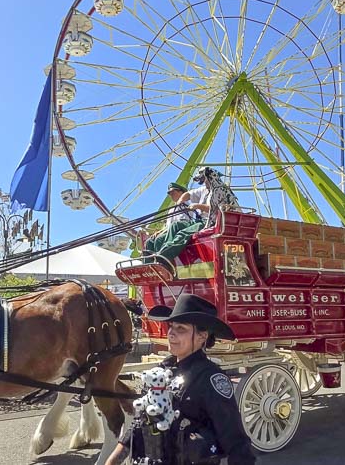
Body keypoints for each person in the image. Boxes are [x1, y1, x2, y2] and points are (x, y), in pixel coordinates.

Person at [105, 294, 257, 465]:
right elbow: (140, 423)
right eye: (171, 327)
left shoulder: (210, 379)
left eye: (181, 329)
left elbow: (236, 442)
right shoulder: (162, 371)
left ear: (202, 336)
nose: (171, 334)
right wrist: (112, 461)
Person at [143, 183, 204, 264]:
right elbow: (168, 225)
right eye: (169, 194)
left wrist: (165, 231)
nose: (171, 195)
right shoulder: (171, 210)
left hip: (179, 229)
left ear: (181, 192)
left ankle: (163, 261)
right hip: (170, 230)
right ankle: (148, 263)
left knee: (159, 239)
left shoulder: (189, 205)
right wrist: (160, 231)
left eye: (173, 192)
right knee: (150, 241)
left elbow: (187, 221)